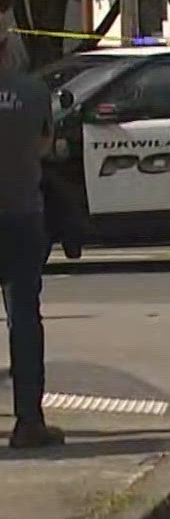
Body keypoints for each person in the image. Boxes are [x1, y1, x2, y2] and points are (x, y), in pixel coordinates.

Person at [0, 35, 61, 448]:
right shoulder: (33, 91)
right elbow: (45, 145)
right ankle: (28, 421)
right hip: (21, 215)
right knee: (24, 317)